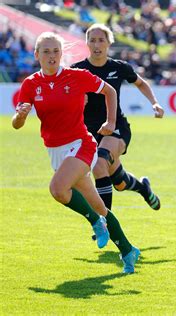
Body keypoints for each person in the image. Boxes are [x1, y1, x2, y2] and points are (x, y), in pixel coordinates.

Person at [12, 32, 140, 273]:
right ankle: (128, 250)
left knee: (58, 189)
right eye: (46, 52)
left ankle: (94, 221)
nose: (51, 56)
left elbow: (110, 91)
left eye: (55, 51)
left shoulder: (76, 76)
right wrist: (19, 116)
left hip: (81, 144)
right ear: (36, 54)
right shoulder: (30, 84)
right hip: (55, 151)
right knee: (99, 205)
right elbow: (16, 124)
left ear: (62, 54)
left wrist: (111, 123)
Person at [71, 24, 163, 213]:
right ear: (87, 43)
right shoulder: (77, 70)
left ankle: (105, 223)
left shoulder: (118, 67)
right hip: (90, 132)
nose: (97, 45)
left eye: (101, 40)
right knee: (119, 183)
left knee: (99, 163)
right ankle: (144, 189)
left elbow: (141, 83)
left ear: (109, 43)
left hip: (117, 127)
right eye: (93, 40)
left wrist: (154, 103)